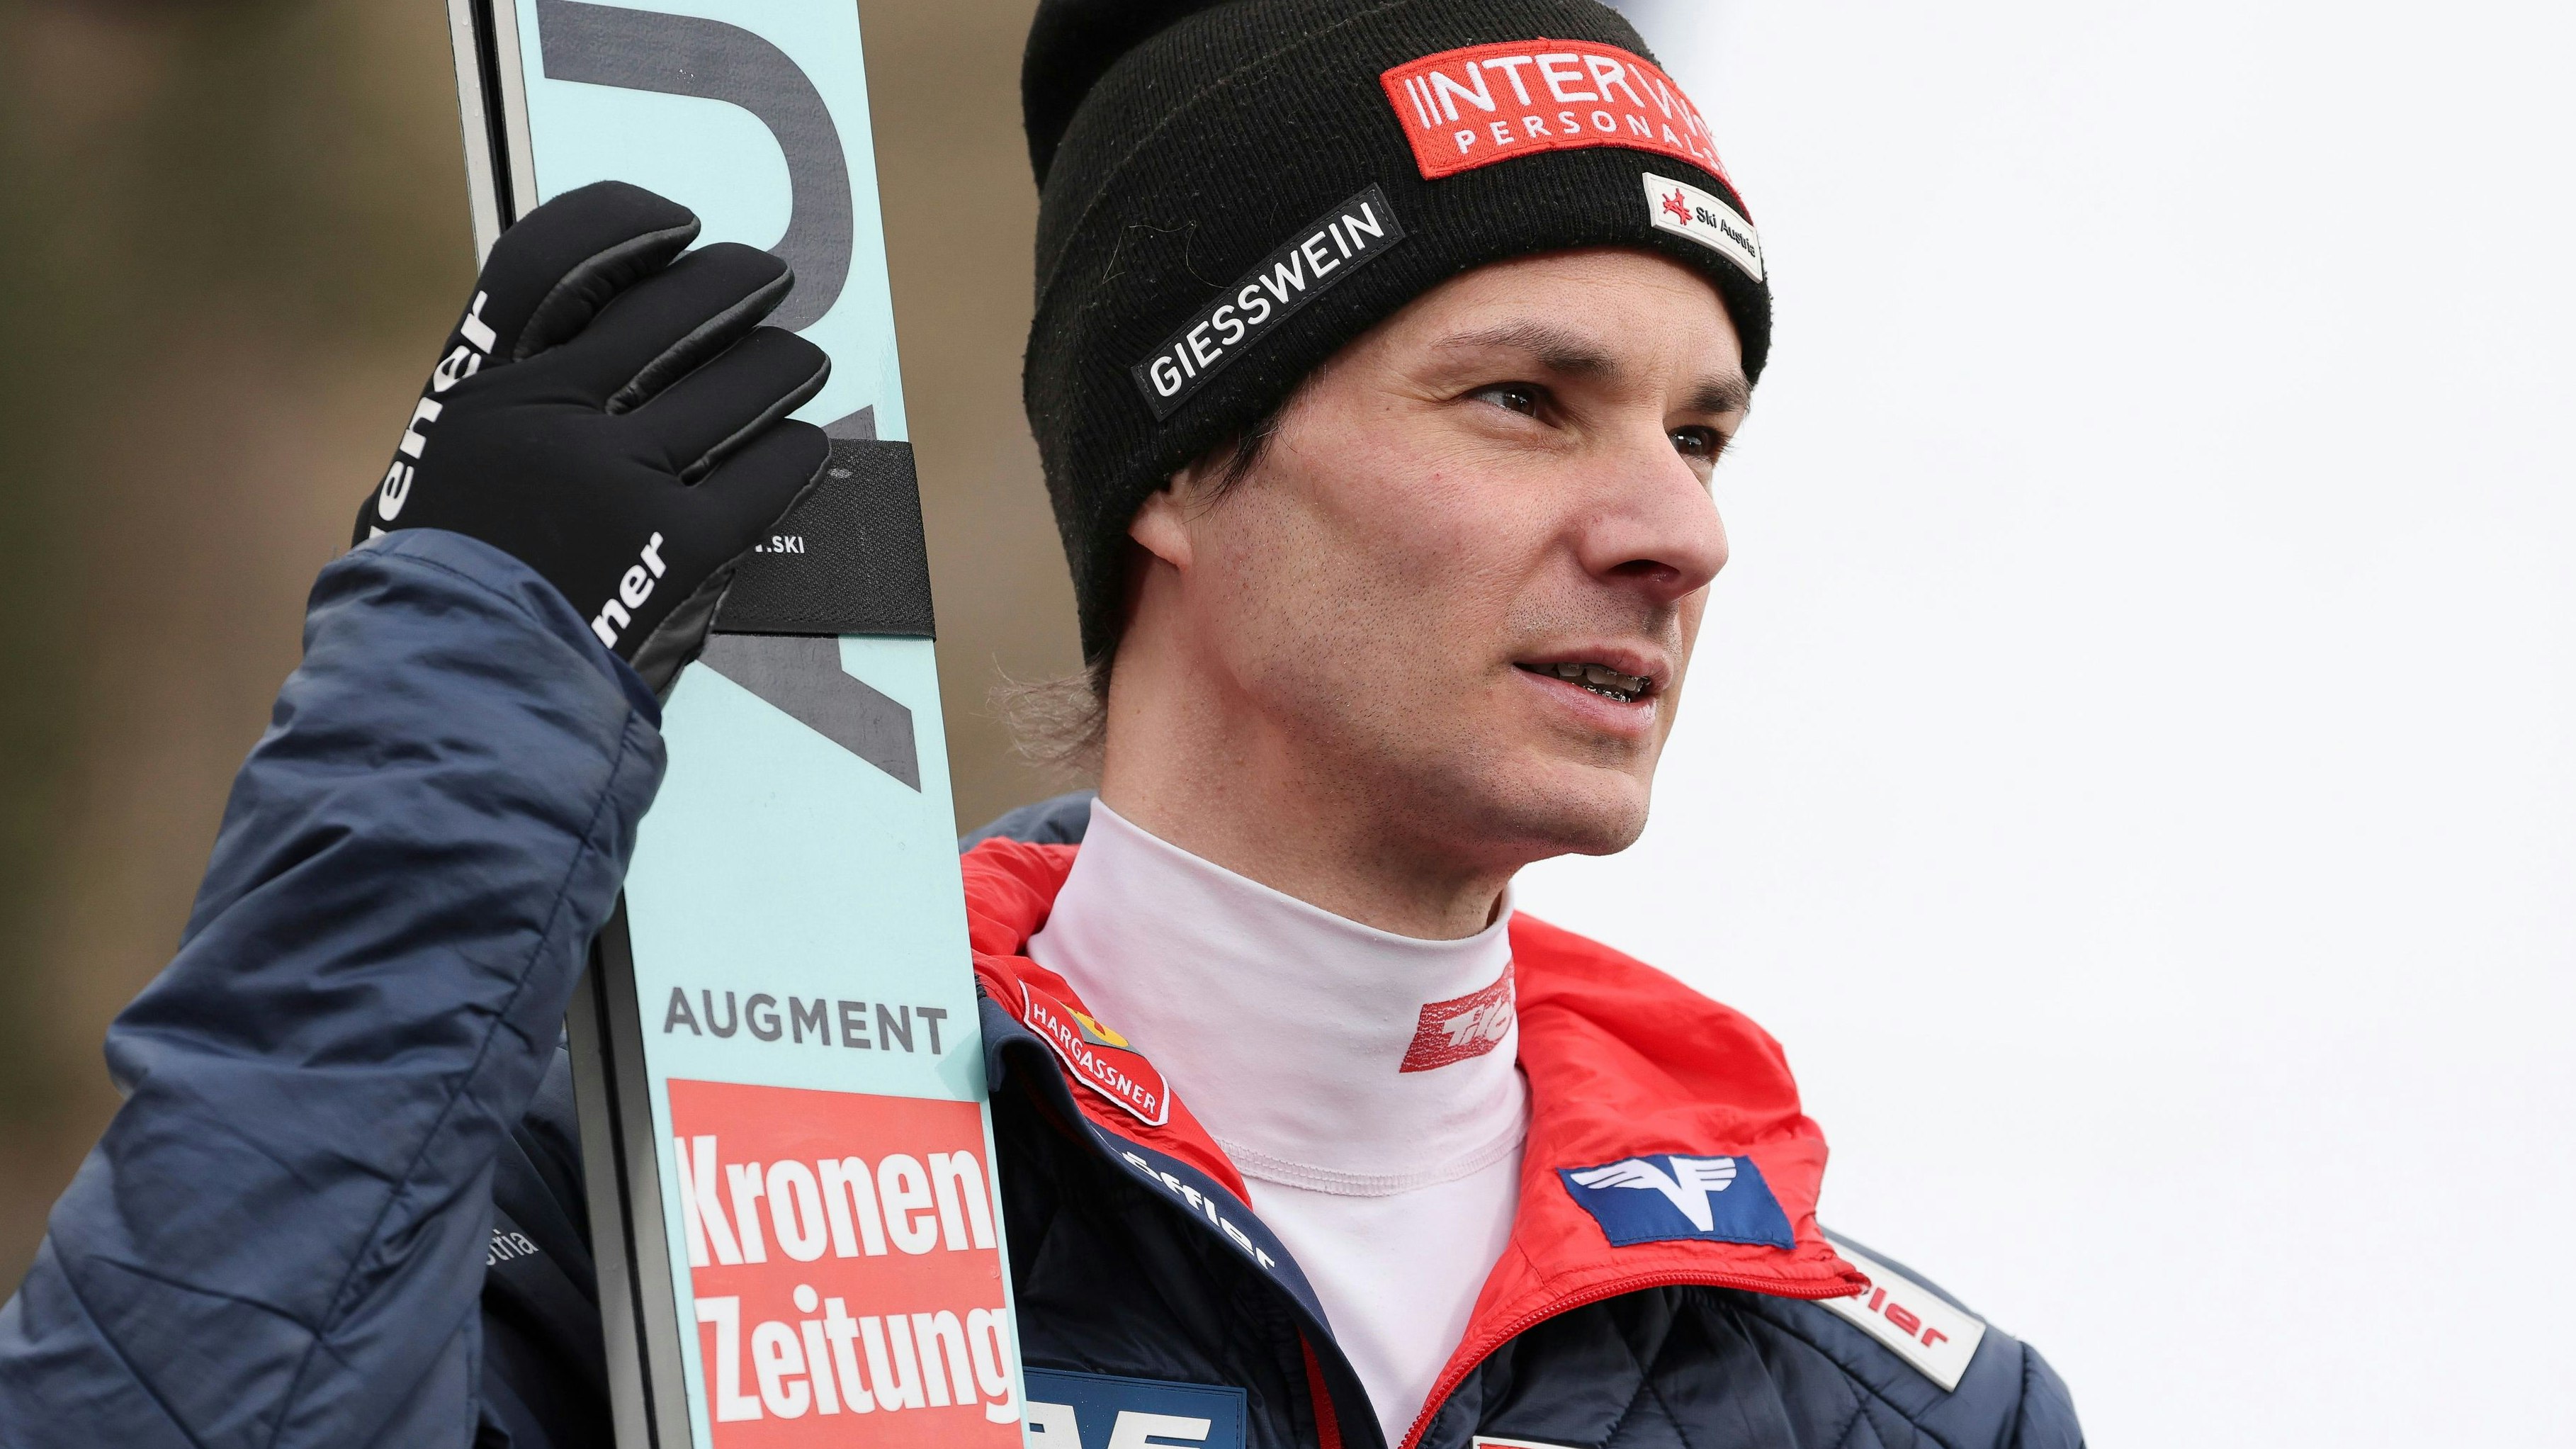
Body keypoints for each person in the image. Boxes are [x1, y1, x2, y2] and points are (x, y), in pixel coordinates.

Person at [0, 1, 2085, 1445]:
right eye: (1525, 401)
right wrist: (461, 687)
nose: (1673, 533)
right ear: (1174, 470)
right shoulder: (645, 1235)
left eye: (1700, 435)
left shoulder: (1900, 1407)